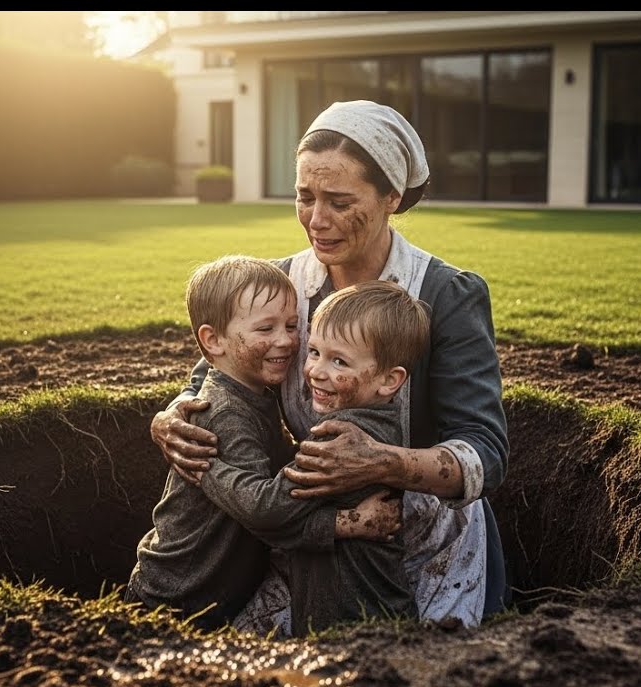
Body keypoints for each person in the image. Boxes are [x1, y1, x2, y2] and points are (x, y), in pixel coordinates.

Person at [151, 99, 511, 628]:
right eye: (304, 197)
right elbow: (215, 373)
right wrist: (174, 411)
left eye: (340, 201)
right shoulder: (280, 284)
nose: (316, 221)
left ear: (392, 197)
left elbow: (487, 453)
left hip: (423, 536)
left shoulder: (446, 294)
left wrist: (383, 462)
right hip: (310, 528)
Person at [123, 254, 399, 631]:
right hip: (175, 600)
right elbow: (265, 511)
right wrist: (344, 522)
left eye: (290, 325)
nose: (285, 341)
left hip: (214, 593)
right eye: (265, 329)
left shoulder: (255, 391)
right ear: (212, 340)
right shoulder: (222, 413)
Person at [200, 279, 430, 633]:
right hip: (372, 617)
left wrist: (207, 468)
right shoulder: (382, 420)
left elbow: (266, 510)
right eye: (315, 352)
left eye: (339, 362)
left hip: (358, 626)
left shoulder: (339, 443)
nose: (316, 372)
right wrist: (344, 522)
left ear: (390, 380)